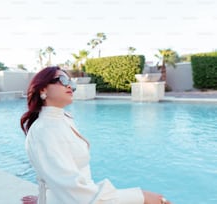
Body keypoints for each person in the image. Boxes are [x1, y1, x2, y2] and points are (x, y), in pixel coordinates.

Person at [20, 66, 171, 204]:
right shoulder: (44, 131)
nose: (69, 86)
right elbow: (77, 194)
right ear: (42, 90)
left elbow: (59, 178)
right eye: (63, 80)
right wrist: (141, 196)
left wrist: (44, 198)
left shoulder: (64, 119)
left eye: (71, 83)